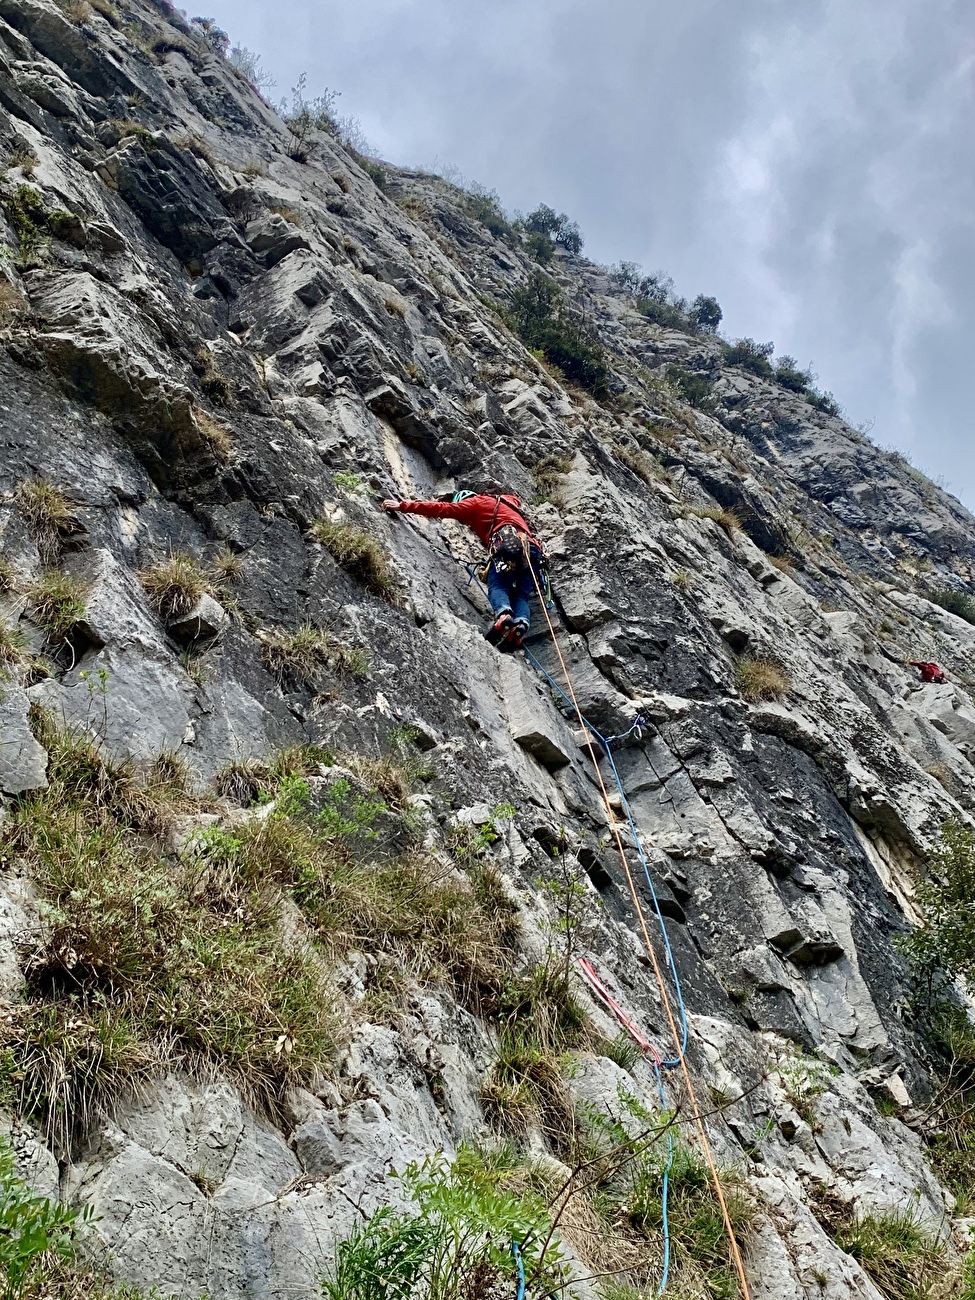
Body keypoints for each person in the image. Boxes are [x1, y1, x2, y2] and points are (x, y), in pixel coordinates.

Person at [381, 490, 546, 650]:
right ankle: (521, 624)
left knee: (498, 585)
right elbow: (515, 499)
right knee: (521, 595)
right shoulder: (506, 501)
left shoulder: (474, 503)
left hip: (509, 544)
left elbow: (442, 509)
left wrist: (402, 506)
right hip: (533, 550)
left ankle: (504, 616)